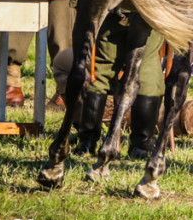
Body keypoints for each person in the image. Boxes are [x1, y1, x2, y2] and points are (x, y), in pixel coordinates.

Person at [70, 10, 167, 159]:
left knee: (102, 69)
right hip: (150, 7)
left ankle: (87, 141)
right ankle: (142, 146)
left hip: (114, 7)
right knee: (147, 67)